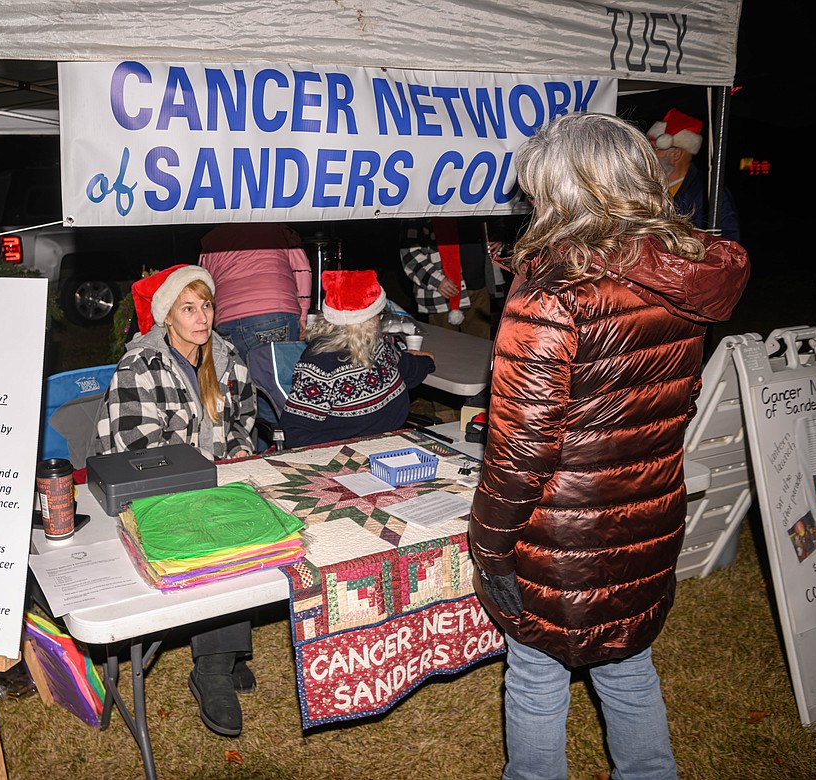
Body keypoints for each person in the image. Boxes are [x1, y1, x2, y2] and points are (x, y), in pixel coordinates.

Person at [467, 112, 749, 779]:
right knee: (628, 666)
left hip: (561, 537)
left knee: (537, 677)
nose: (530, 200)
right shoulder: (682, 270)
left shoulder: (556, 288)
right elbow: (665, 404)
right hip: (647, 516)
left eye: (537, 186)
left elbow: (519, 449)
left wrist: (490, 544)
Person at [93, 263, 258, 737]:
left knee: (250, 526)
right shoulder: (140, 366)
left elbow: (246, 417)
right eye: (189, 308)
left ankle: (222, 651)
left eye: (206, 305)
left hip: (212, 483)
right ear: (167, 316)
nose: (202, 317)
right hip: (149, 497)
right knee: (213, 537)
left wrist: (242, 446)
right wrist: (209, 472)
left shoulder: (225, 357)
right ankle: (213, 669)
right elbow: (137, 451)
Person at [279, 269, 436, 449]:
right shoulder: (319, 366)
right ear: (365, 323)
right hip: (346, 454)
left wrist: (426, 362)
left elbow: (403, 368)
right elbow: (295, 430)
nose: (380, 319)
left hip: (391, 443)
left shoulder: (376, 344)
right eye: (379, 314)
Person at [199, 222, 313, 448]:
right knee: (284, 390)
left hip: (228, 319)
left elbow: (205, 284)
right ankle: (294, 450)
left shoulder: (211, 238)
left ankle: (258, 452)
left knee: (247, 393)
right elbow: (302, 270)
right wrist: (303, 314)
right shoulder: (277, 228)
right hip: (275, 311)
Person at [399, 217, 506, 340]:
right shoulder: (420, 211)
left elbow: (498, 226)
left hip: (479, 288)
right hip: (443, 295)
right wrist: (437, 281)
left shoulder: (479, 203)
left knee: (481, 348)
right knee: (446, 350)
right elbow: (410, 255)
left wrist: (499, 240)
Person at [646, 108, 741, 242]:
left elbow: (729, 244)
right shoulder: (647, 188)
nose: (647, 156)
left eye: (654, 149)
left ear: (676, 154)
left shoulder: (709, 193)